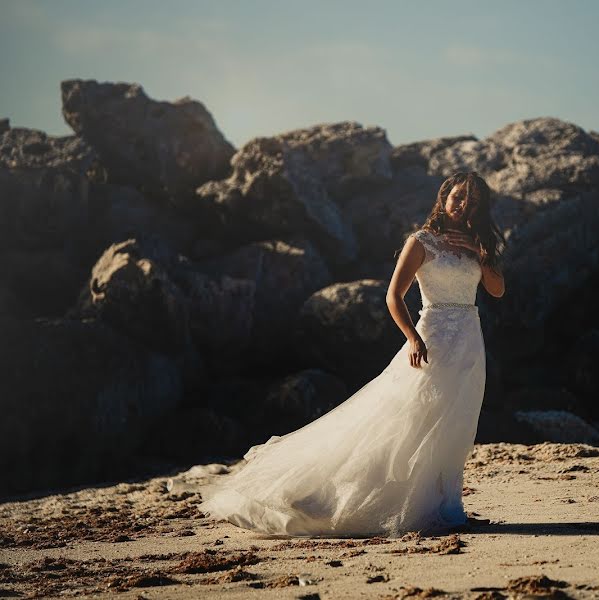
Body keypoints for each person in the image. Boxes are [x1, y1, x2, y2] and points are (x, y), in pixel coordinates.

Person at [196, 171, 505, 538]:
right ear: (444, 198)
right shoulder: (422, 241)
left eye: (471, 201)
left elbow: (497, 291)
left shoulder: (476, 244)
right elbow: (394, 296)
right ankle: (381, 502)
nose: (463, 205)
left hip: (470, 340)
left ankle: (449, 508)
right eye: (457, 198)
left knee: (458, 425)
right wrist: (412, 337)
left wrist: (481, 254)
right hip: (432, 337)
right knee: (412, 420)